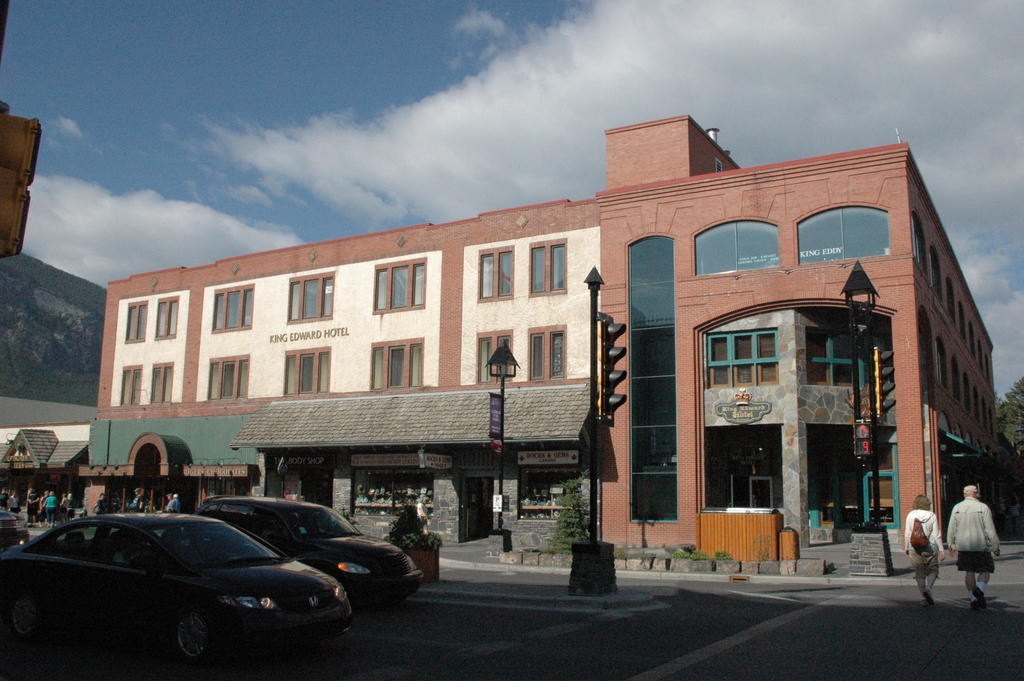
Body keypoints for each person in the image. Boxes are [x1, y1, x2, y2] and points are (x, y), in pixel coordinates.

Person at [947, 484, 1001, 610]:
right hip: (981, 544)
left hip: (964, 545)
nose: (978, 494)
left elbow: (952, 527)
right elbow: (990, 529)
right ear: (974, 493)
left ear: (965, 494)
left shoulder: (957, 507)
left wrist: (951, 543)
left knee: (969, 571)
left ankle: (972, 598)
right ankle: (980, 591)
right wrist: (995, 545)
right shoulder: (983, 507)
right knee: (985, 570)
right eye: (976, 492)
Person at [904, 495, 944, 606]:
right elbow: (937, 535)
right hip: (930, 546)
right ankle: (929, 588)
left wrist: (907, 547)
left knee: (919, 572)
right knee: (933, 570)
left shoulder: (911, 515)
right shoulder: (932, 515)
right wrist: (941, 550)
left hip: (914, 547)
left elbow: (907, 533)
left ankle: (923, 597)